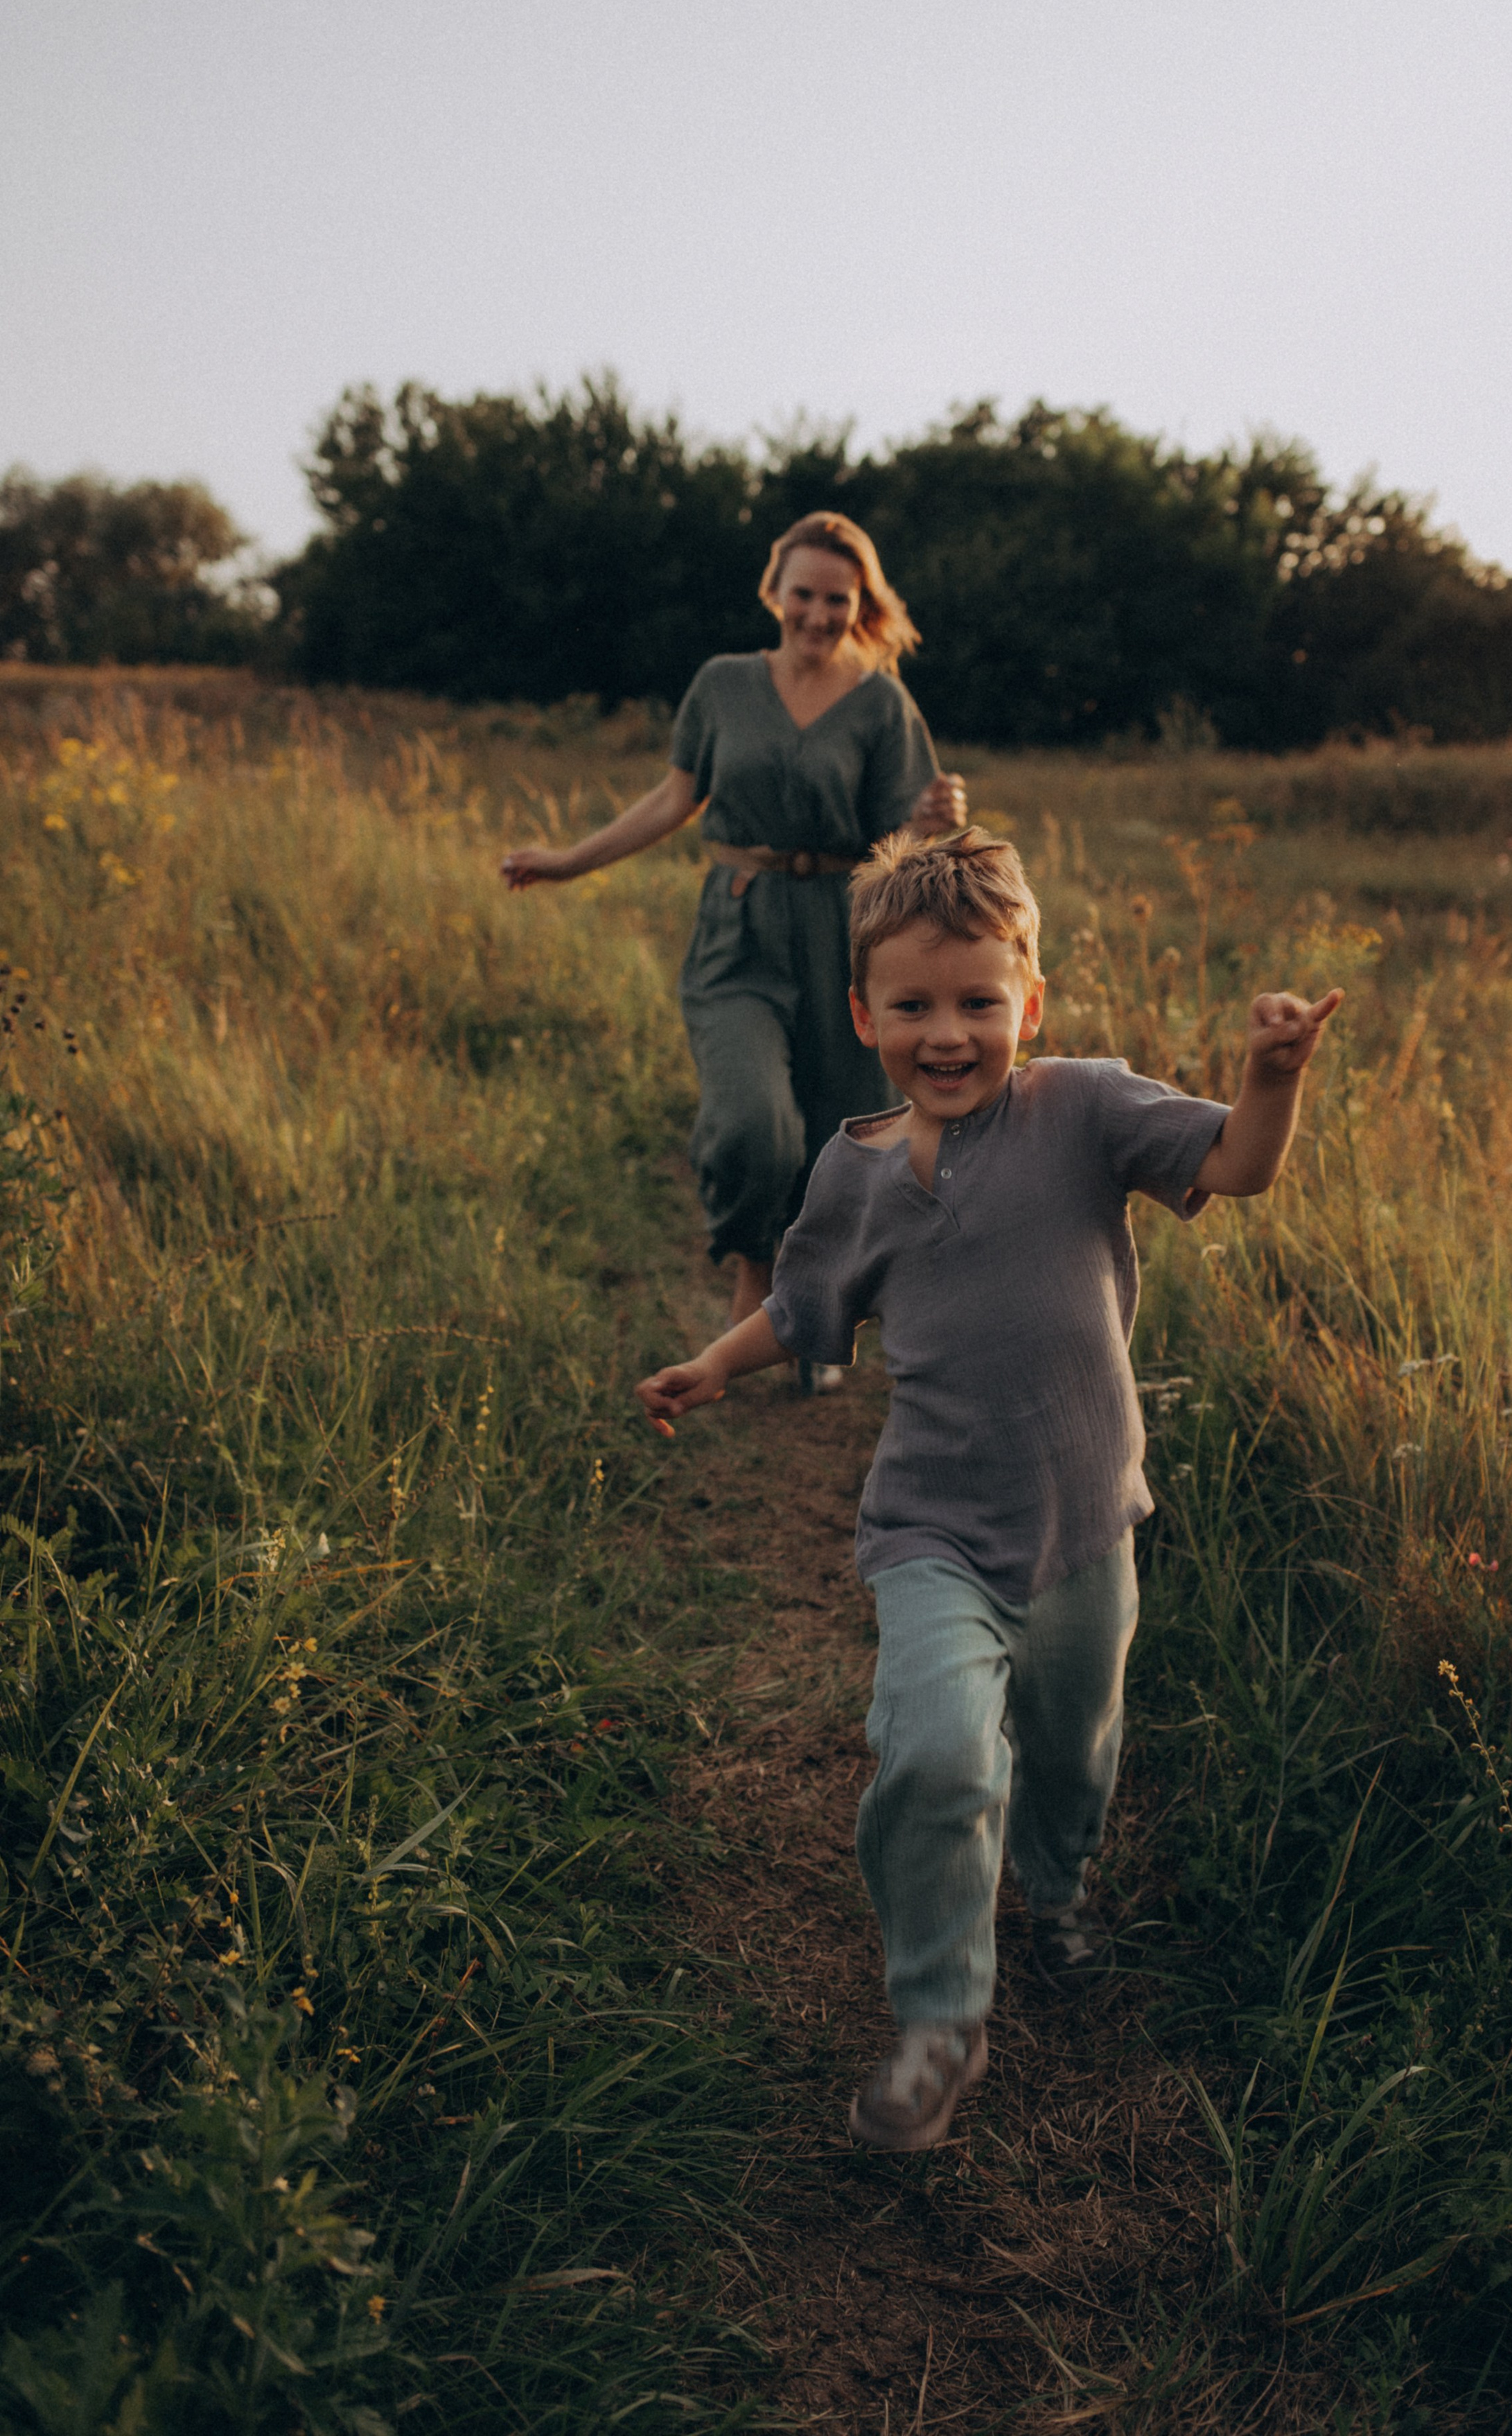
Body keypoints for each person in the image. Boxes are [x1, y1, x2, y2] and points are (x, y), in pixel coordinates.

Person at [635, 828, 1341, 2150]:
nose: (947, 1035)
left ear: (1031, 1004)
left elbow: (1240, 1166)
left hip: (1085, 1530)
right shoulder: (851, 1173)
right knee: (943, 1755)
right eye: (913, 1007)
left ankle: (1058, 1886)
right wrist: (716, 1365)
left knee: (1070, 1756)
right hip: (931, 1533)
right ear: (864, 1015)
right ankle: (938, 2023)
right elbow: (803, 1305)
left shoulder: (1086, 1111)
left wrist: (1267, 1078)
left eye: (978, 1004)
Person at [501, 514, 966, 1355]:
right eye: (803, 595)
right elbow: (675, 798)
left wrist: (933, 821)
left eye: (838, 599)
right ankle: (755, 1264)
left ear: (859, 604)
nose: (818, 615)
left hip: (843, 929)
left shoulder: (881, 702)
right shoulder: (722, 684)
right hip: (739, 927)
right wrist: (570, 861)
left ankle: (814, 1311)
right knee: (755, 1125)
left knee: (840, 1134)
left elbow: (903, 843)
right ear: (773, 593)